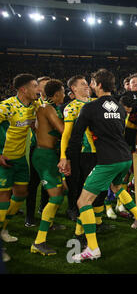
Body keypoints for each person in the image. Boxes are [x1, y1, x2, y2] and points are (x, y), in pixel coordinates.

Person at [63, 69, 137, 262]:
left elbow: (75, 138)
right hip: (125, 158)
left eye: (92, 82)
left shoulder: (90, 108)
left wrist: (68, 159)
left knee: (83, 202)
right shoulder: (118, 107)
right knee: (117, 187)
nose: (91, 86)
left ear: (99, 85)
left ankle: (92, 248)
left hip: (108, 161)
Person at [0, 74, 39, 256]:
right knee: (3, 198)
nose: (38, 89)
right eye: (34, 86)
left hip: (21, 160)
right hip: (4, 159)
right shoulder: (7, 106)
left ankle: (3, 229)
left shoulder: (35, 106)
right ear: (23, 89)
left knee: (21, 193)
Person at [30, 79, 66, 255]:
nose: (65, 94)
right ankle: (38, 241)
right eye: (63, 91)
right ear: (57, 93)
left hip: (49, 155)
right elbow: (62, 129)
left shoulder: (48, 108)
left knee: (62, 191)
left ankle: (49, 224)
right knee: (56, 197)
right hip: (44, 156)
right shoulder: (47, 108)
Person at [58, 75, 93, 222]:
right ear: (74, 88)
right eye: (83, 84)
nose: (87, 86)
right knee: (75, 181)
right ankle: (72, 208)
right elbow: (66, 134)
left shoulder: (94, 103)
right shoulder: (71, 107)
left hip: (95, 151)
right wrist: (63, 157)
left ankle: (89, 209)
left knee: (91, 183)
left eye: (87, 84)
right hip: (78, 150)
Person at [26, 76, 51, 227]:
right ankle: (29, 216)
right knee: (33, 183)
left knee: (48, 184)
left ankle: (44, 210)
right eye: (44, 85)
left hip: (51, 151)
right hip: (37, 149)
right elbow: (30, 123)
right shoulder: (34, 105)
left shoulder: (54, 104)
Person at [121, 74, 137, 152]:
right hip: (129, 129)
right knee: (129, 151)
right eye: (133, 82)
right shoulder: (125, 96)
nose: (136, 83)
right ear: (129, 86)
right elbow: (128, 109)